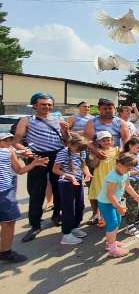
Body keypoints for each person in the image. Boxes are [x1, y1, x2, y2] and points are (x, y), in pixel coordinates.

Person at [14, 92, 69, 242]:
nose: (47, 107)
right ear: (35, 105)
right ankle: (35, 225)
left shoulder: (59, 119)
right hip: (37, 157)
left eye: (49, 104)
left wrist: (66, 131)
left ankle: (57, 216)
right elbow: (16, 141)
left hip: (57, 156)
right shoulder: (26, 120)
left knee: (59, 189)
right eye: (43, 104)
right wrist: (26, 152)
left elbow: (66, 141)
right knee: (36, 192)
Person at [0, 133, 48, 263]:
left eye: (11, 139)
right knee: (8, 222)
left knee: (9, 222)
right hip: (5, 192)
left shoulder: (10, 152)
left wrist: (34, 163)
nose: (9, 142)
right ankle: (5, 252)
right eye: (5, 140)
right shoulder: (10, 151)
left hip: (5, 191)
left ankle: (5, 252)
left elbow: (20, 170)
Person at [97, 153, 139, 258]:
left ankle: (111, 242)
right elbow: (109, 194)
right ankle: (112, 249)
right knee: (113, 223)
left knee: (117, 221)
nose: (128, 171)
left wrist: (136, 196)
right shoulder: (113, 176)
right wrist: (119, 207)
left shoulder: (125, 173)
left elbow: (127, 186)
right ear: (118, 165)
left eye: (130, 169)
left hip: (114, 202)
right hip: (106, 203)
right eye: (127, 168)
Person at [52, 133, 92, 245]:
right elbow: (55, 170)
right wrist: (69, 175)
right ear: (70, 144)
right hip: (66, 183)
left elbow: (84, 165)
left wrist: (87, 174)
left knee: (80, 205)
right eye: (78, 148)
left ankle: (74, 227)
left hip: (78, 182)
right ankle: (66, 234)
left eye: (81, 148)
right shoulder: (63, 152)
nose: (80, 150)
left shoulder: (81, 152)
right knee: (69, 208)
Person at [88, 131, 119, 227]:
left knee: (114, 197)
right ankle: (102, 218)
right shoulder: (95, 153)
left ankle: (113, 215)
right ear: (98, 143)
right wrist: (98, 157)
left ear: (112, 141)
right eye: (103, 140)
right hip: (101, 178)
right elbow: (92, 165)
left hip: (113, 178)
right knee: (102, 199)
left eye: (108, 140)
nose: (106, 142)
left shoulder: (117, 150)